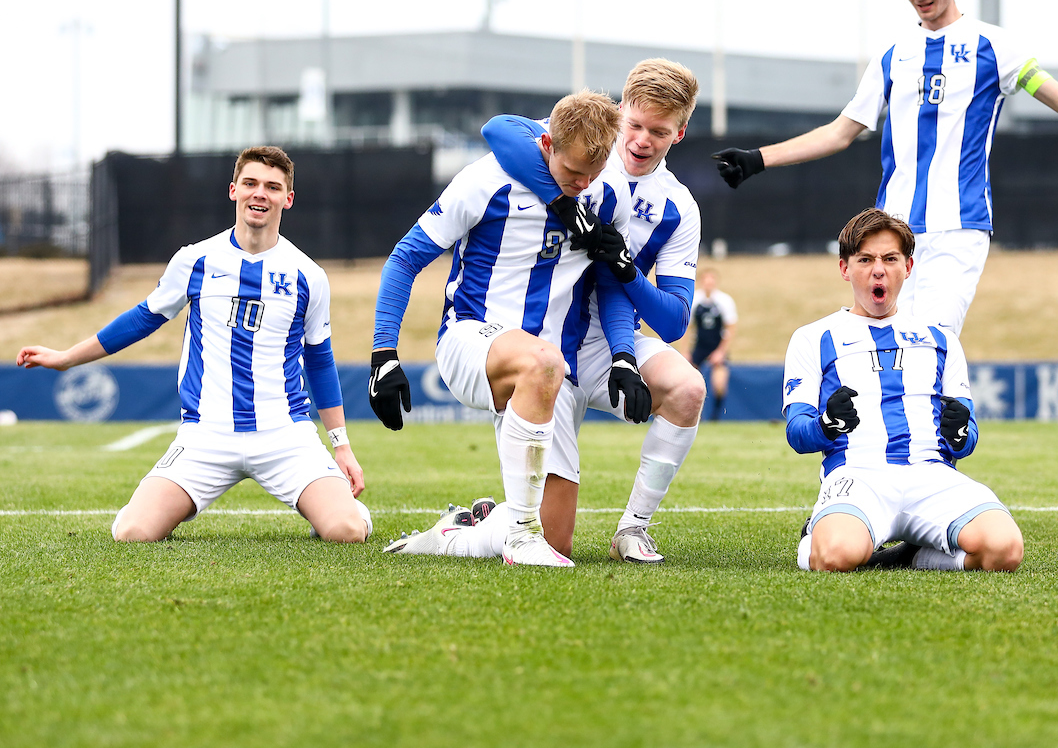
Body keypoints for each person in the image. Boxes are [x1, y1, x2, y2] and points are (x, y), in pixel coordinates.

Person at [713, 0, 1058, 335]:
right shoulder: (892, 55)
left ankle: (955, 419)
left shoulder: (996, 47)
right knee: (890, 346)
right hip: (891, 233)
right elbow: (840, 132)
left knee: (930, 343)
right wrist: (757, 160)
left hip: (957, 227)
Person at [16, 146, 371, 543]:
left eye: (272, 187)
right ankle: (158, 503)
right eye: (251, 183)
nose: (260, 194)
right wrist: (67, 358)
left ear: (287, 199)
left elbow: (320, 361)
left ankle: (343, 508)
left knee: (345, 531)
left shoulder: (309, 275)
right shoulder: (195, 260)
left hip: (284, 435)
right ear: (233, 190)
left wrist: (342, 446)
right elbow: (141, 320)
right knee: (133, 533)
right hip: (206, 435)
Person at [369, 90, 649, 568]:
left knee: (558, 539)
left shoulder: (608, 192)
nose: (581, 185)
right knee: (540, 360)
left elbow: (608, 281)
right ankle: (519, 536)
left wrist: (623, 353)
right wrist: (383, 354)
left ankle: (458, 533)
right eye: (572, 173)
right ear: (546, 144)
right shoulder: (483, 181)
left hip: (551, 371)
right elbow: (405, 258)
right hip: (471, 339)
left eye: (592, 173)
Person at [783, 207, 1023, 573]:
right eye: (865, 259)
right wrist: (827, 424)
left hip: (931, 475)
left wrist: (959, 431)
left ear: (908, 267)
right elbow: (797, 434)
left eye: (890, 258)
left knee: (1004, 551)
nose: (878, 269)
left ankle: (908, 556)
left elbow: (967, 439)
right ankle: (814, 536)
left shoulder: (940, 339)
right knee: (835, 557)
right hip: (857, 477)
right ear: (845, 268)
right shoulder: (813, 337)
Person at [690, 268, 737, 420]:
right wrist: (685, 352)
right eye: (706, 279)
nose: (709, 282)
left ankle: (715, 417)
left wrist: (721, 352)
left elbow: (731, 328)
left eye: (712, 279)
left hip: (716, 346)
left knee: (719, 384)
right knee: (689, 383)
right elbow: (687, 328)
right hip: (699, 346)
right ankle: (695, 416)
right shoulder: (694, 299)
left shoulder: (724, 300)